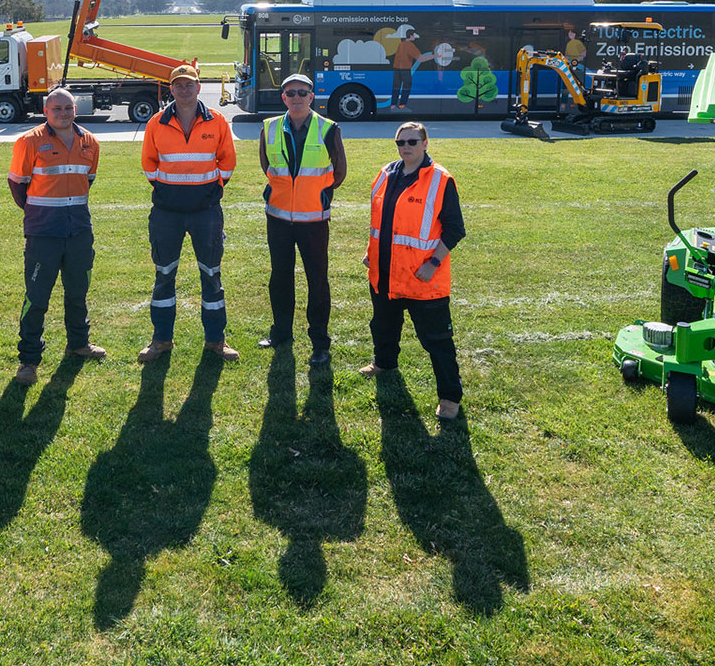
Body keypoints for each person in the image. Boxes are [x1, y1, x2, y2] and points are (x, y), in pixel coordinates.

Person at [359, 121, 468, 419]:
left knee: (437, 342)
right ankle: (384, 363)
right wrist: (371, 254)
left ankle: (449, 398)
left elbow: (455, 230)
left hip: (423, 279)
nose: (405, 147)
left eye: (412, 141)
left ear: (425, 143)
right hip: (384, 274)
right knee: (383, 327)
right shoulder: (384, 174)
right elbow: (378, 222)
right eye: (400, 142)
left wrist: (433, 263)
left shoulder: (440, 180)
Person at [139, 64, 239, 362]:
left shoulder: (218, 121)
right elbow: (149, 164)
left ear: (198, 87)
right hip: (167, 212)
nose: (184, 89)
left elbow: (228, 162)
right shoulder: (157, 122)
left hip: (205, 212)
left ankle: (216, 341)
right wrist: (171, 190)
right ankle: (161, 340)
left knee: (211, 275)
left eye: (190, 84)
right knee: (164, 275)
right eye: (178, 85)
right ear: (171, 89)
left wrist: (206, 190)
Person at [8, 87, 106, 385]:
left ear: (75, 109)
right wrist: (40, 212)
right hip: (43, 231)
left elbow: (88, 179)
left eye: (68, 108)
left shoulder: (89, 141)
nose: (63, 113)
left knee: (78, 291)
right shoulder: (29, 141)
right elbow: (17, 184)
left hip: (78, 229)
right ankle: (29, 359)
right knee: (37, 297)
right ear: (45, 110)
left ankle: (78, 343)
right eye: (56, 109)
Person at [256, 73, 347, 366]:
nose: (296, 97)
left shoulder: (329, 129)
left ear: (311, 97)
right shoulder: (269, 127)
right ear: (284, 98)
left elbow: (340, 172)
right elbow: (266, 165)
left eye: (302, 93)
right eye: (291, 93)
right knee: (279, 278)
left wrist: (317, 195)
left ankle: (319, 342)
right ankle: (281, 332)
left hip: (313, 221)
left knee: (317, 281)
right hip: (279, 218)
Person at [389, 26, 422, 110]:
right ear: (410, 35)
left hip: (397, 68)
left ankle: (393, 105)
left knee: (396, 86)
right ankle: (402, 105)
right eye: (414, 35)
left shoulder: (401, 44)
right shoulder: (409, 45)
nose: (414, 37)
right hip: (405, 69)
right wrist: (436, 55)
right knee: (407, 86)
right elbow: (420, 58)